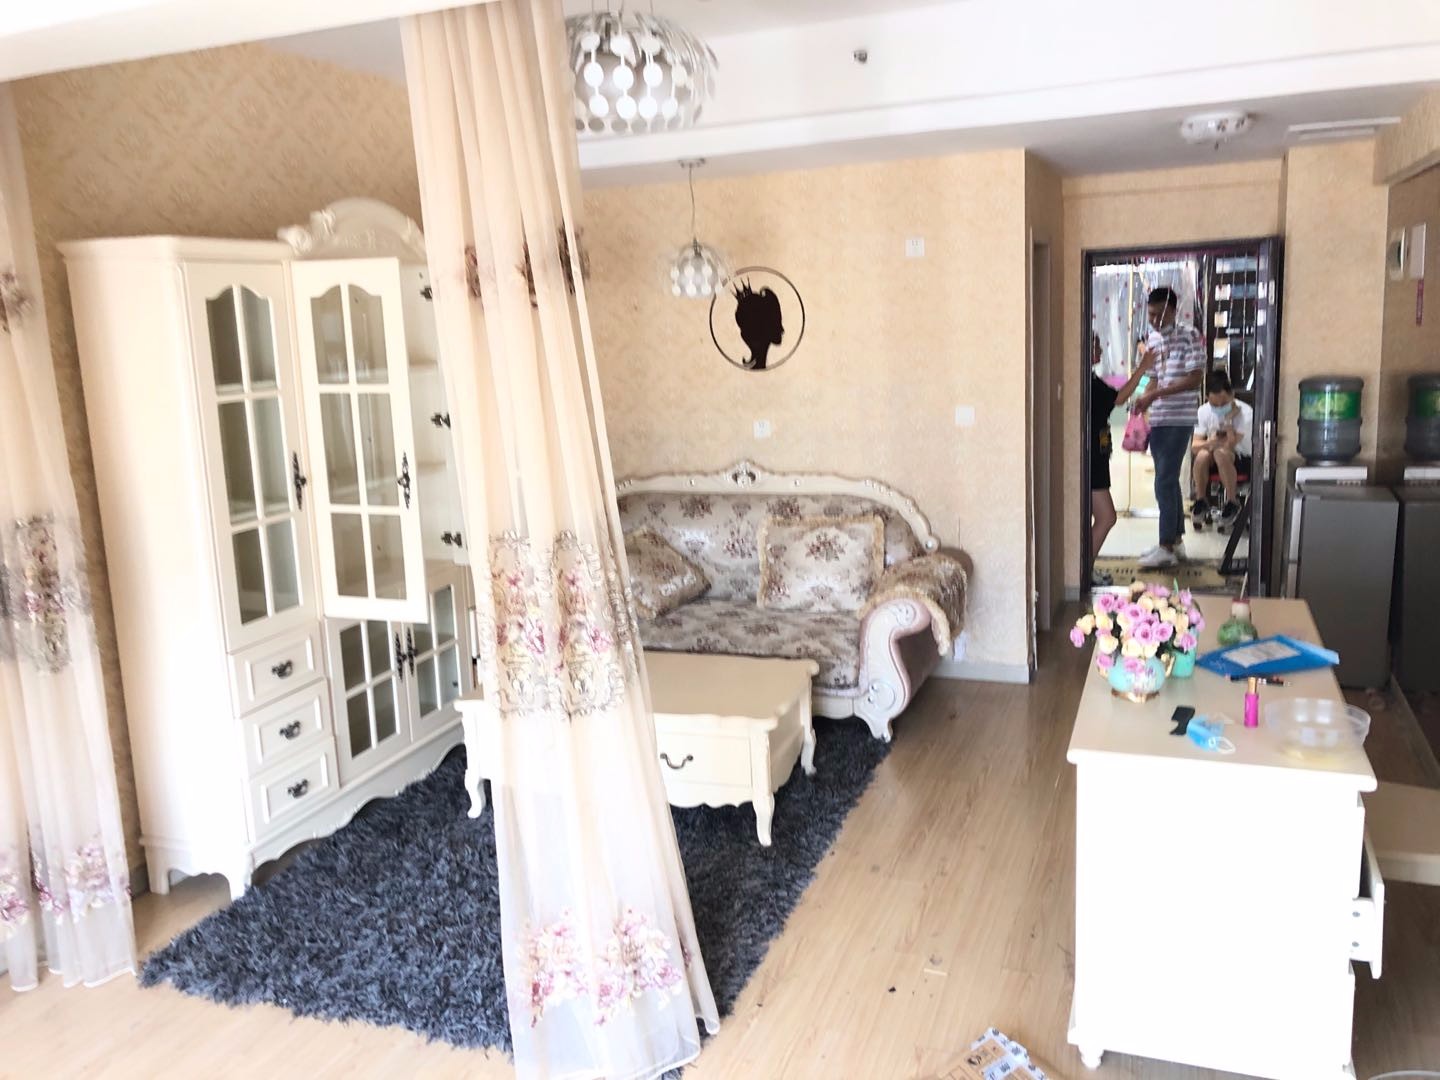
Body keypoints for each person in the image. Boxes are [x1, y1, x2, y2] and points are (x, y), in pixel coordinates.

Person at [1134, 286, 1205, 569]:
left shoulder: (1190, 336)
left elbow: (1195, 378)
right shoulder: (1153, 338)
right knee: (1169, 480)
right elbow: (1153, 378)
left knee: (1163, 481)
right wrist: (1143, 401)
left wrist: (1156, 395)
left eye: (1158, 315)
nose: (1153, 321)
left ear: (1172, 310)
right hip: (1160, 419)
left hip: (1180, 418)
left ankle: (1165, 546)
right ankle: (1175, 542)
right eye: (1149, 314)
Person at [1089, 331, 1152, 586]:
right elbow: (1119, 397)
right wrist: (1143, 368)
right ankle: (1083, 571)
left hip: (1096, 456)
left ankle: (1085, 569)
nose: (1100, 350)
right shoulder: (1086, 382)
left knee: (1099, 518)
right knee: (1107, 517)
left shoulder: (1091, 378)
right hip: (1090, 460)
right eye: (1095, 345)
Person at [1190, 369, 1253, 531]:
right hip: (1214, 455)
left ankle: (1232, 502)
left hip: (1241, 457)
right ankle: (1201, 500)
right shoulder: (1203, 411)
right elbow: (1195, 446)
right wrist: (1209, 443)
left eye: (1224, 403)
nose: (1219, 407)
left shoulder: (1246, 412)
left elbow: (1230, 444)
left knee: (1220, 453)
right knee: (1202, 455)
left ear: (1232, 395)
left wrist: (1228, 420)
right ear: (1207, 398)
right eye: (1214, 404)